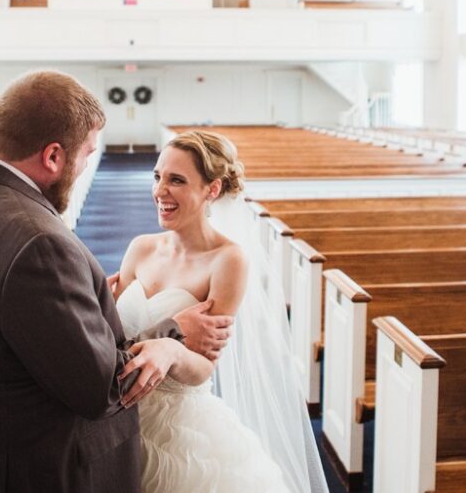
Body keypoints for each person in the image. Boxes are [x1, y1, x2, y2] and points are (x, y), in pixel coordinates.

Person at [0, 71, 232, 492]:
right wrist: (173, 332)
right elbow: (103, 389)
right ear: (54, 156)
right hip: (25, 469)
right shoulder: (37, 242)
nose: (86, 164)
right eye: (87, 153)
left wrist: (89, 307)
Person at [113, 130, 330, 493]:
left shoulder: (228, 260)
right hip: (116, 412)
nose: (159, 191)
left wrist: (171, 350)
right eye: (158, 177)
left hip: (176, 425)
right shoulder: (141, 248)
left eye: (176, 180)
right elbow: (114, 338)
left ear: (211, 190)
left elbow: (202, 369)